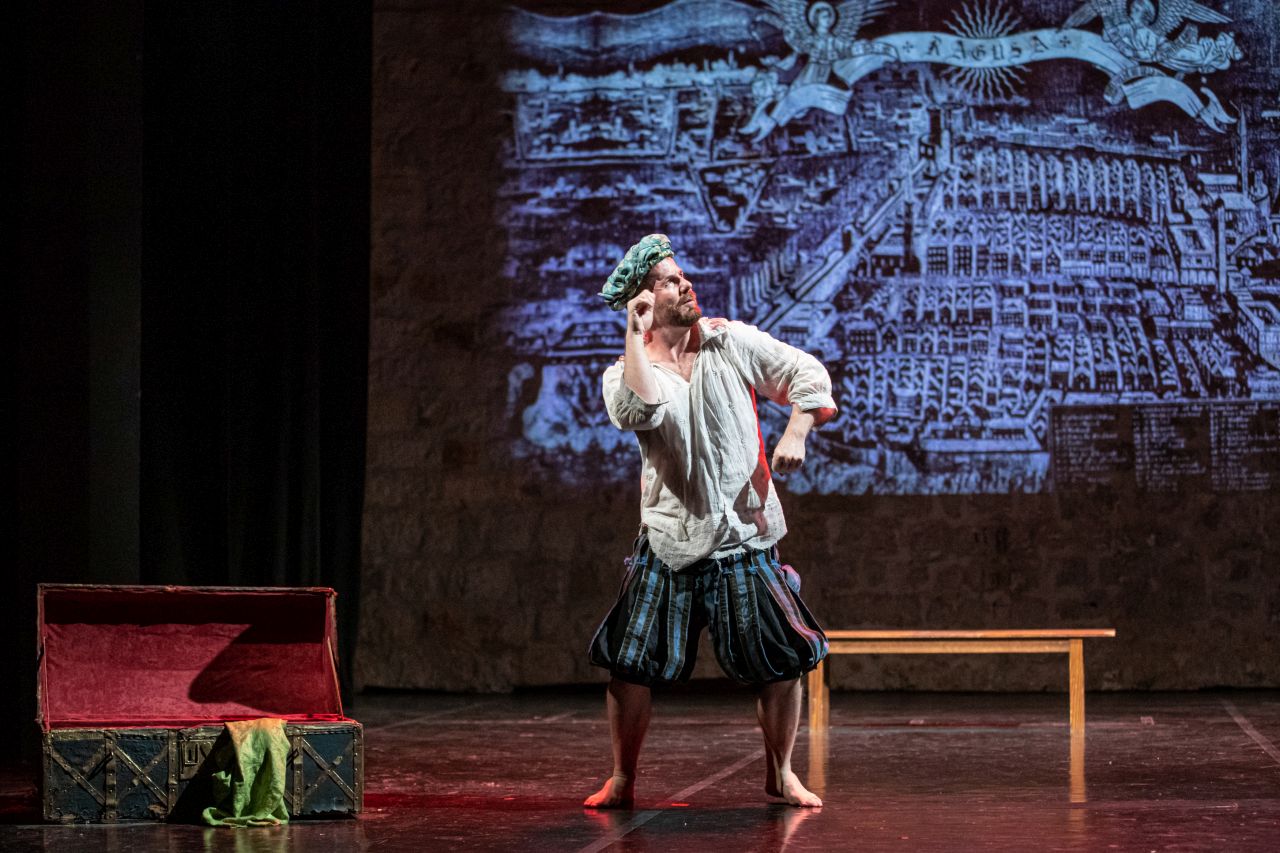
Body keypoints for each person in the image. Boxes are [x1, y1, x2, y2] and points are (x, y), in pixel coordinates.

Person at [585, 234, 837, 809]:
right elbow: (639, 409)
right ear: (643, 300)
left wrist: (796, 432)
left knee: (781, 661)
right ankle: (623, 778)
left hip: (742, 535)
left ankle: (781, 772)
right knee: (630, 664)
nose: (685, 285)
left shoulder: (729, 341)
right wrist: (635, 334)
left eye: (682, 276)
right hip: (669, 540)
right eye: (669, 281)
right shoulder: (625, 371)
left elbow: (807, 374)